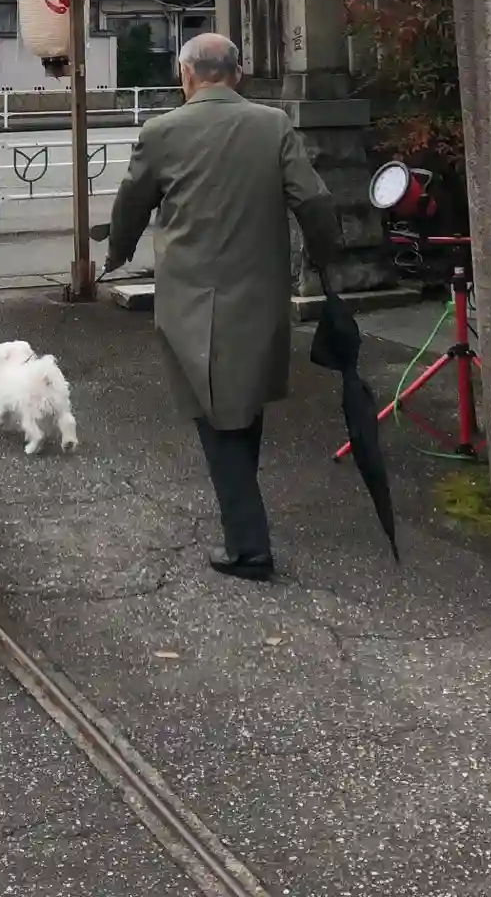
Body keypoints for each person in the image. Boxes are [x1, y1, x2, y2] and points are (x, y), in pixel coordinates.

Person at [105, 32, 341, 581]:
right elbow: (312, 198)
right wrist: (327, 258)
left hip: (193, 299)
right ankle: (244, 526)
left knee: (218, 417)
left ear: (185, 74)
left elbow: (131, 204)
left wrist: (117, 252)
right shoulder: (272, 125)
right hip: (261, 293)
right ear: (237, 74)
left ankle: (249, 547)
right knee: (240, 406)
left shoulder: (162, 131)